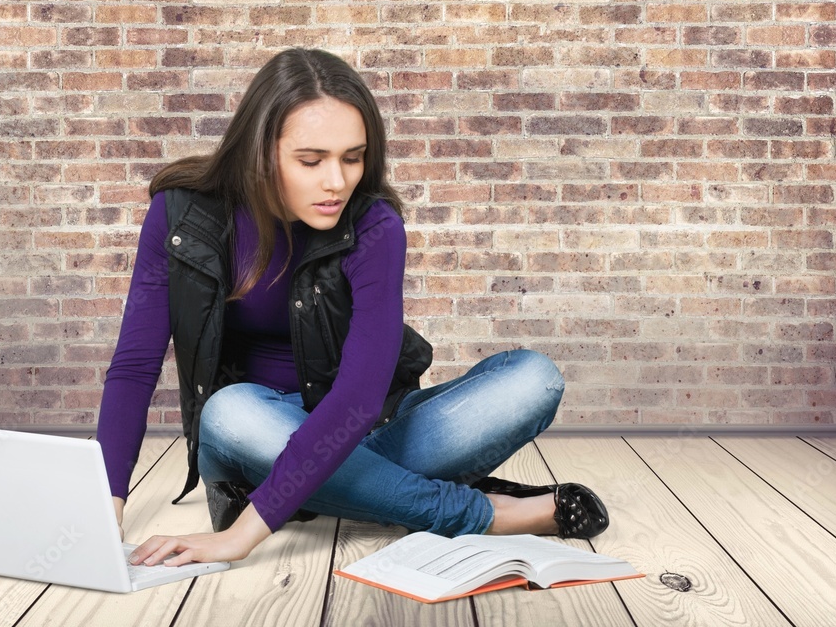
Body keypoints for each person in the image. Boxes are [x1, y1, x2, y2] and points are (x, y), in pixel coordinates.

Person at [96, 48, 609, 569]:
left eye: (353, 157)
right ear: (259, 152)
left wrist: (239, 537)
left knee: (533, 378)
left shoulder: (375, 226)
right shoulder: (181, 214)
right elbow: (135, 368)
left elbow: (360, 401)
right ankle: (480, 511)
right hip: (251, 435)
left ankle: (327, 492)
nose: (337, 182)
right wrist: (104, 509)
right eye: (311, 160)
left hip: (365, 423)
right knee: (228, 412)